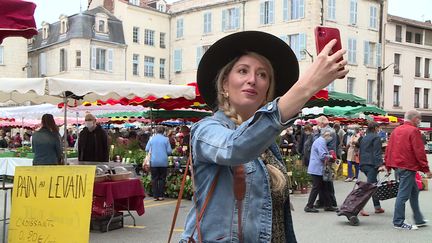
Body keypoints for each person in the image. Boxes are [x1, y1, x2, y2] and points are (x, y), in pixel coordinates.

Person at [180, 31, 348, 242]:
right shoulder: (206, 130)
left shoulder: (268, 143)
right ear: (224, 84)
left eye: (262, 75)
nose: (252, 80)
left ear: (268, 89)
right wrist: (308, 85)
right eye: (243, 71)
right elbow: (235, 148)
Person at [384, 110, 432, 230]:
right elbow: (419, 151)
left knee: (413, 192)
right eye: (419, 119)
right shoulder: (414, 131)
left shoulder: (396, 130)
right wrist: (426, 169)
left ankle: (418, 219)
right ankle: (398, 222)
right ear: (415, 118)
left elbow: (389, 148)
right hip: (408, 166)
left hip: (399, 166)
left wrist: (388, 166)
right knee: (403, 195)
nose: (419, 121)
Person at [305, 128, 338, 213]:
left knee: (324, 187)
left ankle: (328, 205)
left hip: (317, 167)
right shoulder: (321, 142)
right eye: (330, 135)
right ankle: (309, 206)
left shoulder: (320, 141)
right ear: (326, 134)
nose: (331, 137)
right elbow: (322, 156)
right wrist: (331, 156)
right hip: (317, 168)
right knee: (316, 187)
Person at [358, 121, 385, 216]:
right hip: (371, 164)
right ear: (375, 128)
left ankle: (377, 207)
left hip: (363, 163)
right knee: (369, 187)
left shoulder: (363, 138)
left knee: (373, 186)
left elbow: (360, 151)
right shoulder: (376, 137)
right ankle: (360, 207)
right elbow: (377, 153)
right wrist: (380, 165)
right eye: (378, 128)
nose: (379, 130)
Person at [145, 126, 172, 201]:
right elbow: (169, 151)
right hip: (163, 162)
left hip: (154, 161)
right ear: (163, 131)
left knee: (154, 178)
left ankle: (155, 196)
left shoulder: (151, 139)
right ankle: (161, 195)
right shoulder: (166, 139)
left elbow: (146, 149)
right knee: (162, 179)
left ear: (156, 131)